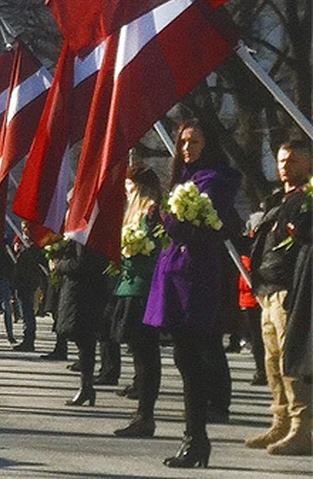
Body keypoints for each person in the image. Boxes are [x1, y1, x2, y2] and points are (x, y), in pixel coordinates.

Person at [144, 119, 242, 468]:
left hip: (196, 277)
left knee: (194, 359)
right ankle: (194, 438)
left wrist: (170, 221)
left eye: (195, 142)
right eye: (183, 142)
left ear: (208, 144)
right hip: (175, 273)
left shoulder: (215, 180)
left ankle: (196, 438)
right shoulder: (185, 179)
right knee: (184, 358)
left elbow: (207, 230)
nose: (187, 148)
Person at [244, 140, 312, 455]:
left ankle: (302, 428)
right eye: (282, 160)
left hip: (290, 289)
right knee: (272, 362)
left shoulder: (305, 200)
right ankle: (280, 422)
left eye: (294, 161)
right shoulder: (275, 199)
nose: (285, 166)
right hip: (266, 290)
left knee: (291, 362)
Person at [111, 166, 163, 438]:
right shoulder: (133, 214)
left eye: (130, 188)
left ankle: (146, 415)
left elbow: (159, 251)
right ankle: (142, 412)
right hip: (130, 288)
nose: (127, 193)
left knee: (146, 355)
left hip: (144, 290)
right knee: (139, 354)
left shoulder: (153, 213)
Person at [54, 238, 109, 408]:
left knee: (84, 340)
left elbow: (81, 264)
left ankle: (86, 387)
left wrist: (59, 265)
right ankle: (86, 387)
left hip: (82, 294)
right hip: (87, 292)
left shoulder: (84, 236)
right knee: (84, 342)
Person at [12, 224, 47, 352]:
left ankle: (29, 340)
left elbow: (35, 263)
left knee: (28, 313)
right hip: (21, 282)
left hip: (28, 282)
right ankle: (27, 338)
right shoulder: (24, 245)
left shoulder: (34, 247)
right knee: (25, 312)